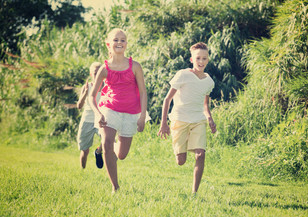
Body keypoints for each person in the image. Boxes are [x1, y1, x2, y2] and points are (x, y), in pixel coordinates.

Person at [89, 28, 148, 192]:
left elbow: (143, 92)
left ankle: (101, 148)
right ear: (108, 44)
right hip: (109, 109)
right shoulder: (104, 69)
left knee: (121, 154)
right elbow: (92, 96)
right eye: (116, 40)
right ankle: (115, 187)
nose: (119, 43)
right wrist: (98, 113)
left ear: (126, 44)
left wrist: (142, 116)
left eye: (122, 40)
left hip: (131, 112)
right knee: (108, 143)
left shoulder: (135, 66)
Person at [158, 42, 217, 193]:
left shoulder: (209, 81)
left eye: (204, 58)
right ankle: (180, 150)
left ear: (208, 60)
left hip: (198, 120)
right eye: (198, 58)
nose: (201, 62)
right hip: (180, 120)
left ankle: (194, 192)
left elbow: (205, 104)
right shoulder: (183, 75)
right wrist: (163, 123)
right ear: (192, 60)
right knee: (181, 161)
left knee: (200, 155)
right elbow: (167, 100)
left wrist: (209, 118)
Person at [77, 62, 104, 169]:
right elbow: (79, 106)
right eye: (95, 73)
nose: (97, 75)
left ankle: (98, 151)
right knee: (84, 150)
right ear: (91, 74)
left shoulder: (107, 86)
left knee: (108, 141)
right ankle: (82, 171)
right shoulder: (86, 86)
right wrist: (85, 93)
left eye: (99, 72)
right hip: (87, 120)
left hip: (101, 120)